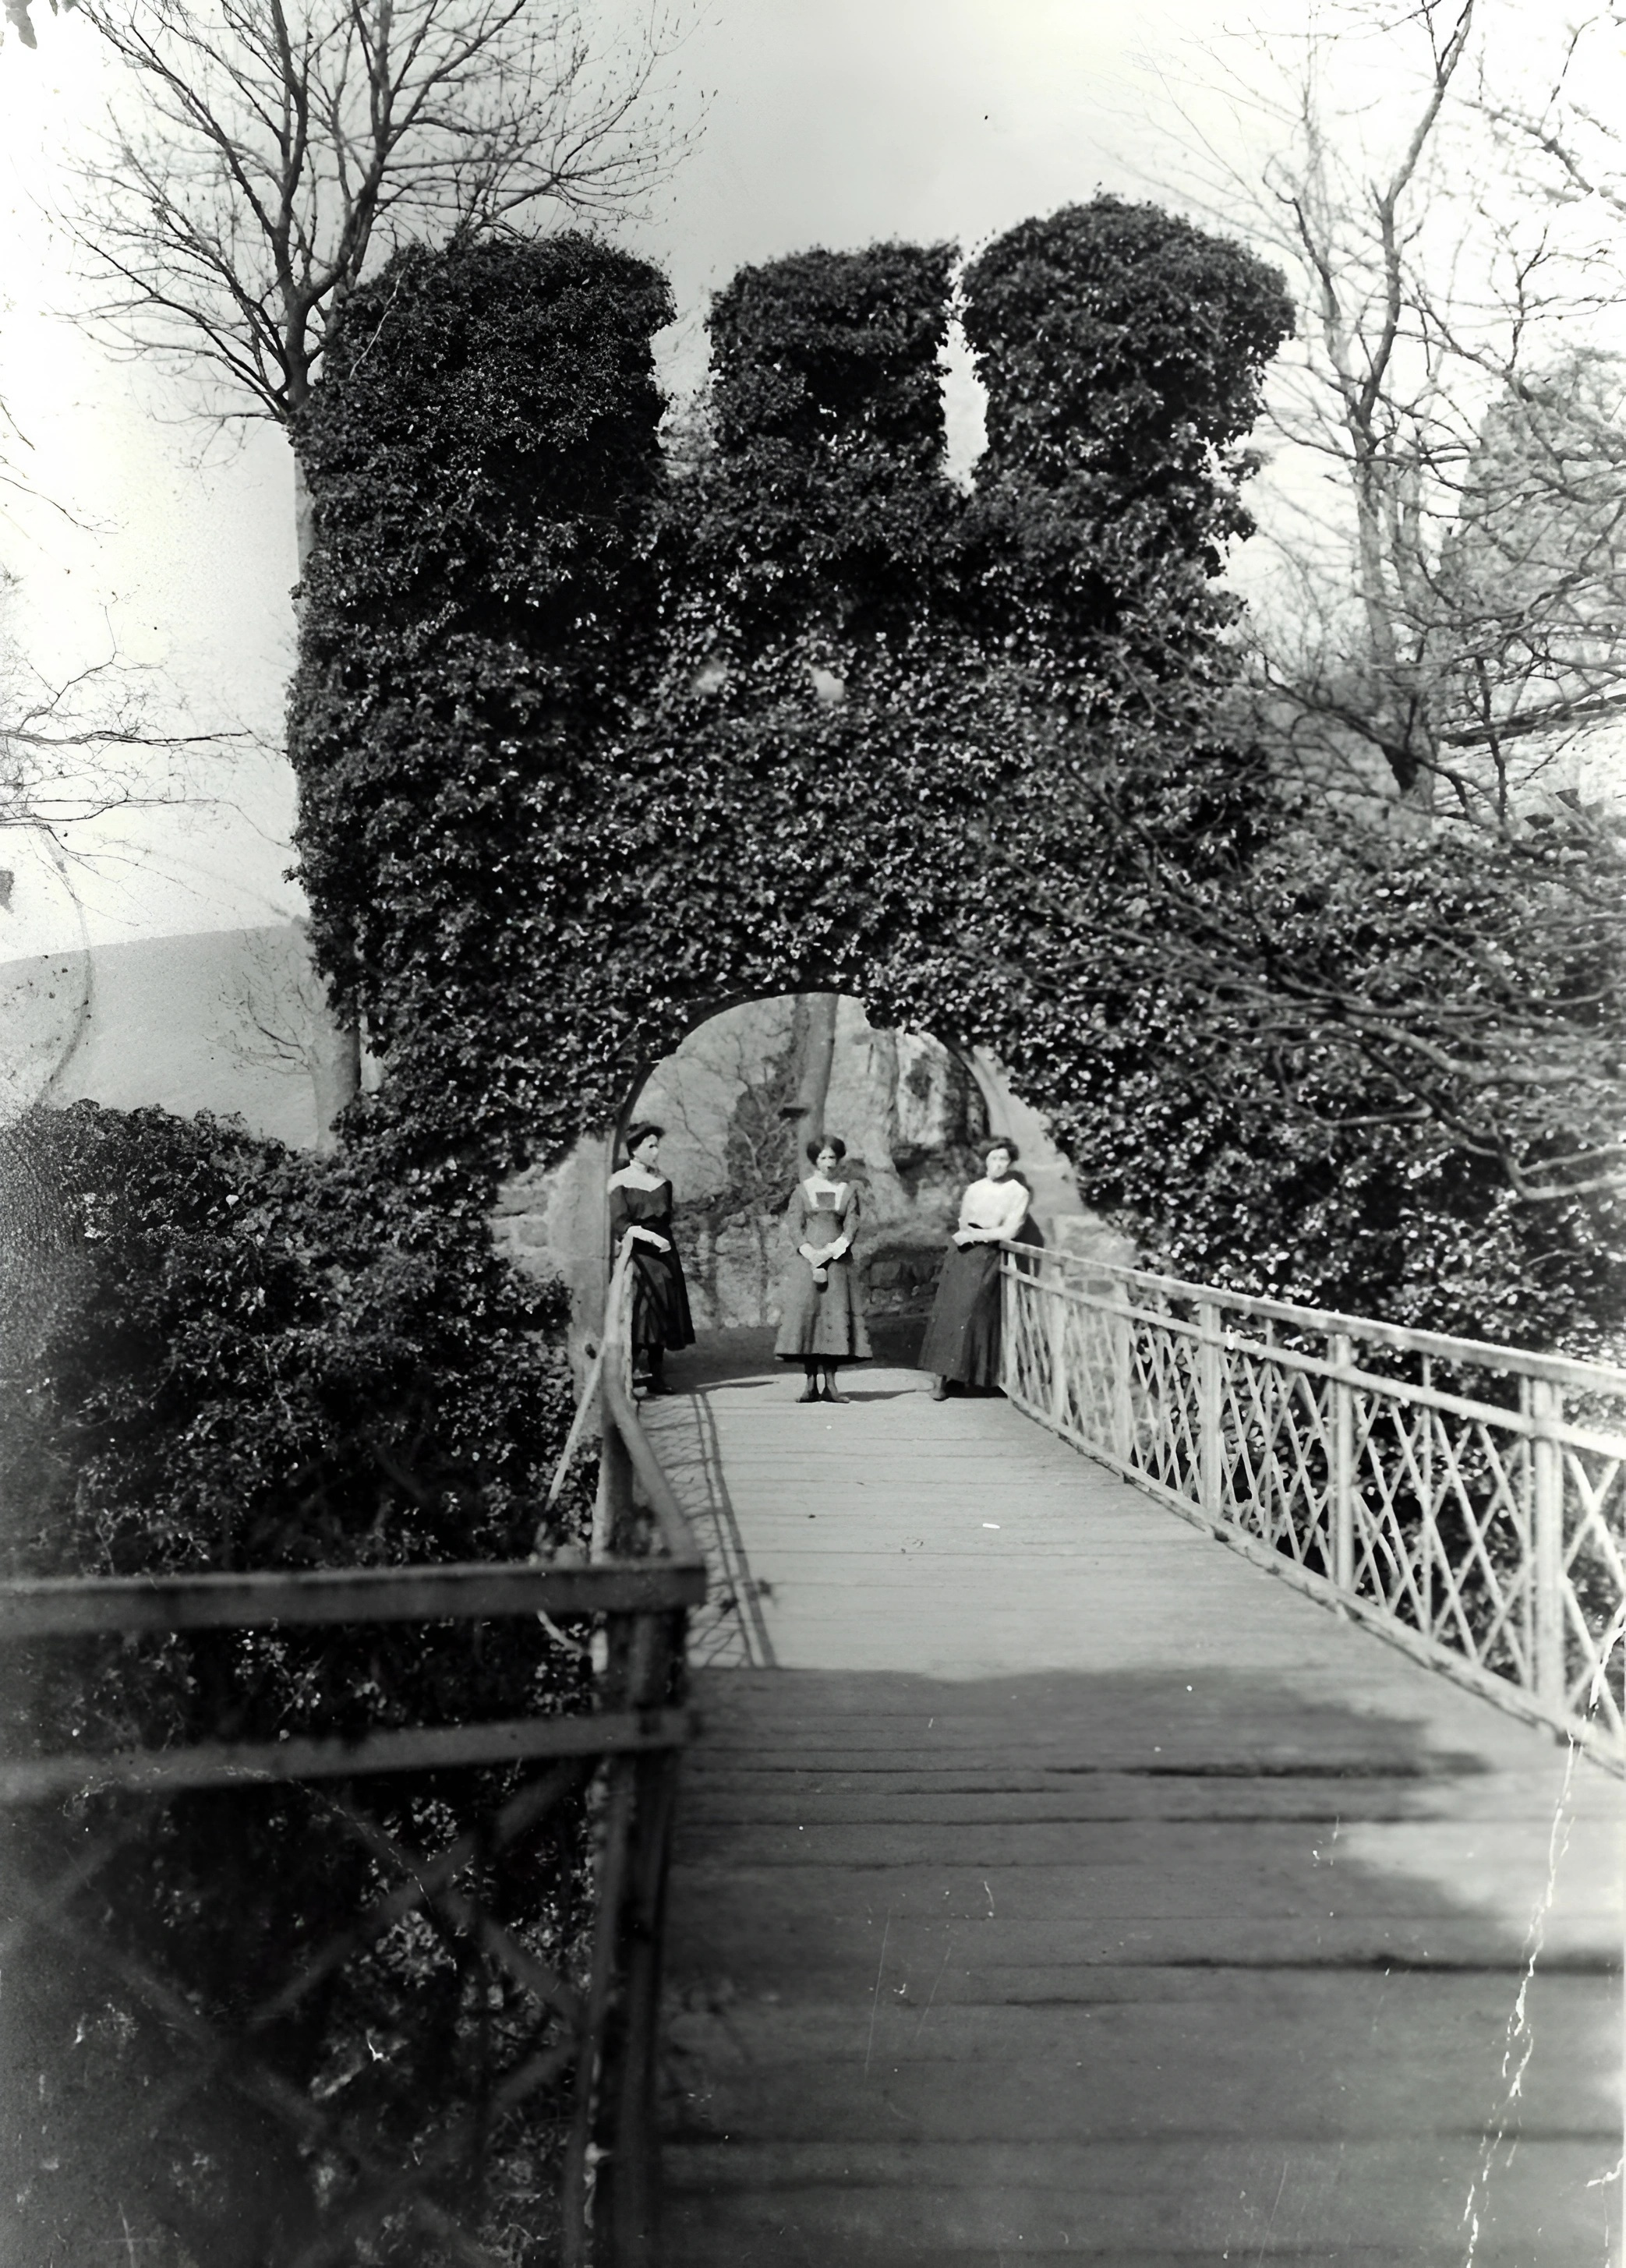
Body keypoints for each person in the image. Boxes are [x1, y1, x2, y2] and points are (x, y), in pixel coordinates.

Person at [918, 1139, 1031, 1400]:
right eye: (994, 1158)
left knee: (974, 1313)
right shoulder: (975, 1189)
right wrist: (966, 1234)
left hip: (989, 1255)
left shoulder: (1018, 1192)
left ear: (1010, 1162)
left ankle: (974, 1378)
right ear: (985, 1161)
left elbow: (1010, 1230)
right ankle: (942, 1380)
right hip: (963, 1253)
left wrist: (977, 1236)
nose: (998, 1164)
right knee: (951, 1313)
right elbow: (964, 1219)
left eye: (1004, 1159)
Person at [773, 1136, 872, 1402]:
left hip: (838, 1263)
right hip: (808, 1263)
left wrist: (831, 1251)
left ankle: (831, 1385)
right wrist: (811, 1253)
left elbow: (851, 1225)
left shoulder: (847, 1190)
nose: (829, 1163)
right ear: (815, 1161)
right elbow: (794, 1226)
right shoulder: (803, 1190)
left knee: (834, 1318)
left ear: (838, 1160)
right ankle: (810, 1385)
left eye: (832, 1158)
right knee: (810, 1320)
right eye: (823, 1158)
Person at [607, 1122, 695, 1394]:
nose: (656, 1152)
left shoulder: (663, 1183)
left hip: (664, 1255)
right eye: (651, 1146)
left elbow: (666, 1218)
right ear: (635, 1149)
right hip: (636, 1252)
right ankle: (630, 1373)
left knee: (663, 1309)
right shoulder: (619, 1181)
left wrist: (661, 1241)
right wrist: (650, 1238)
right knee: (639, 1309)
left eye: (657, 1146)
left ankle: (657, 1374)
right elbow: (620, 1223)